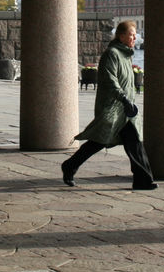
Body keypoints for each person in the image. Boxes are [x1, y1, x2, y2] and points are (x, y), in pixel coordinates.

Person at [61, 21, 157, 190]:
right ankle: (70, 165)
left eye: (135, 35)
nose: (135, 38)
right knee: (98, 141)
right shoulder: (111, 54)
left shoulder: (126, 55)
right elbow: (111, 79)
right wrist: (124, 99)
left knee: (134, 142)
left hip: (125, 110)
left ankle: (143, 180)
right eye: (131, 34)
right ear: (121, 36)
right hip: (113, 108)